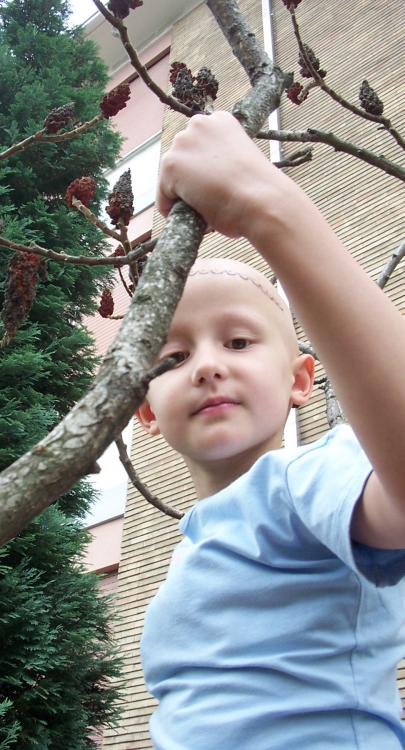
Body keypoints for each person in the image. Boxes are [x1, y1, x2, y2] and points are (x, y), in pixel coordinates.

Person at [135, 111, 405, 749]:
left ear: (299, 380)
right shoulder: (191, 550)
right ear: (144, 410)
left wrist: (264, 203)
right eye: (173, 357)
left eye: (238, 341)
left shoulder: (308, 479)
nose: (206, 366)